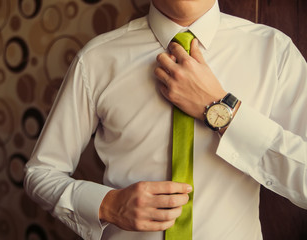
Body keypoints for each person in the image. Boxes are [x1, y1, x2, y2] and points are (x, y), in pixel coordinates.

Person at [24, 0, 307, 239]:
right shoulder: (97, 59)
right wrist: (107, 205)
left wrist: (220, 110)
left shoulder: (274, 53)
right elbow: (41, 173)